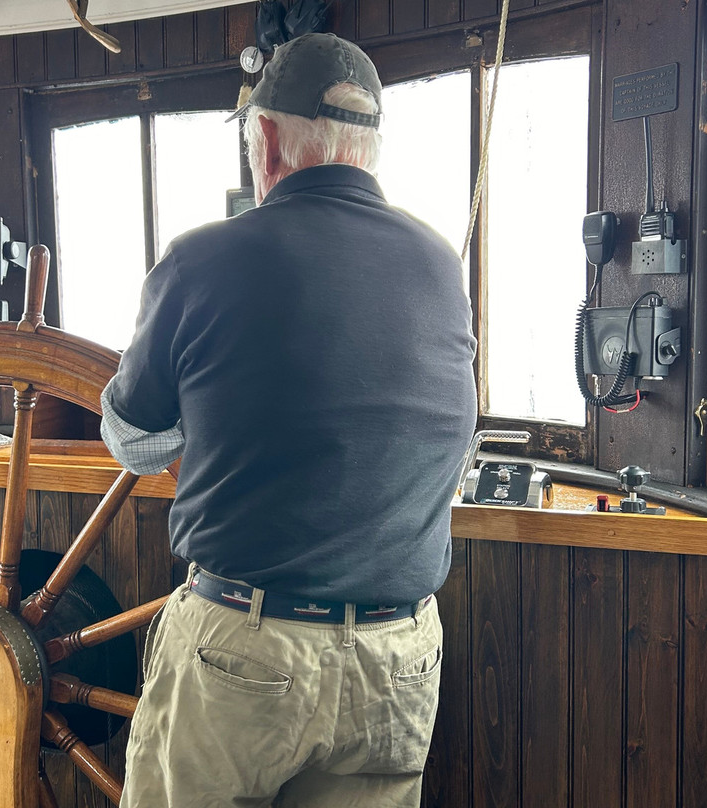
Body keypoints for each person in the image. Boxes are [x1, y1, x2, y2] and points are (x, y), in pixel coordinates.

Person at [100, 31, 477, 808]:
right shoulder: (441, 266)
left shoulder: (201, 261)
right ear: (368, 149)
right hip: (399, 658)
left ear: (264, 139)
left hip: (246, 651)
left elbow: (133, 440)